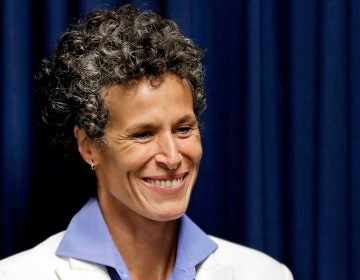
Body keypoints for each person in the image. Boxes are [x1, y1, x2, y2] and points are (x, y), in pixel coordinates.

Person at [0, 4, 293, 280]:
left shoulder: (265, 273)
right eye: (143, 134)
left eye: (183, 129)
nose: (172, 156)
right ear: (89, 146)